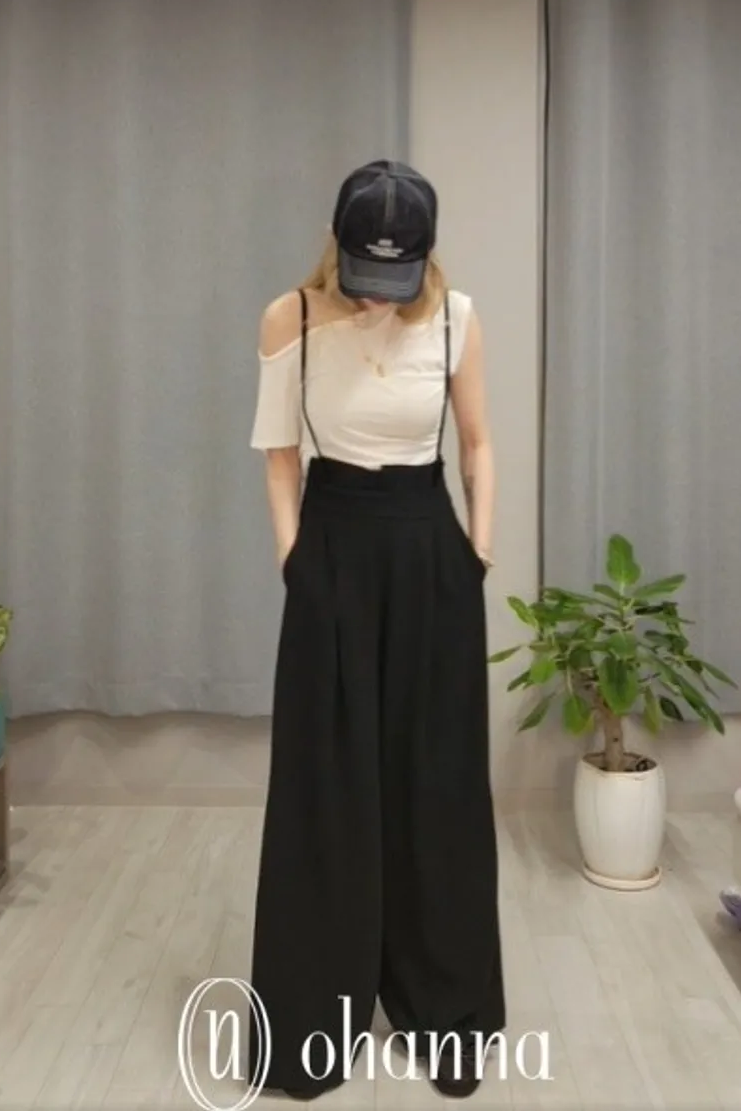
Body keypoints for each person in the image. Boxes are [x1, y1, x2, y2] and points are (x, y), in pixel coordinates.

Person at [248, 159, 505, 1100]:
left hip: (431, 556)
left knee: (437, 785)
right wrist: (294, 562)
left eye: (397, 276)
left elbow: (476, 442)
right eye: (365, 272)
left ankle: (446, 1011)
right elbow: (280, 454)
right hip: (333, 554)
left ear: (426, 258)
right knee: (325, 786)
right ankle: (311, 1019)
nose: (379, 295)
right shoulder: (290, 319)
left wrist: (479, 553)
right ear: (338, 247)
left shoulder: (458, 319)